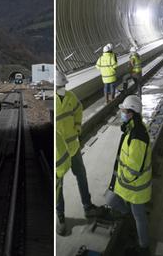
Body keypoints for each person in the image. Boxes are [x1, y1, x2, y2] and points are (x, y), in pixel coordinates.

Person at [56, 71, 101, 236]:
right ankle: (60, 217)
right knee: (58, 187)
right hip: (57, 154)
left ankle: (87, 206)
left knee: (81, 175)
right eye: (60, 86)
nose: (63, 88)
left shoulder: (70, 97)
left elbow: (79, 110)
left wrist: (77, 127)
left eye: (63, 85)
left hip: (73, 147)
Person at [107, 95, 151, 254]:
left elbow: (134, 168)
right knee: (113, 201)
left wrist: (121, 179)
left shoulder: (138, 135)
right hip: (128, 184)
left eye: (124, 111)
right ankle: (128, 216)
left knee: (139, 216)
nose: (122, 113)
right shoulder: (131, 128)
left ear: (132, 113)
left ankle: (144, 247)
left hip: (134, 186)